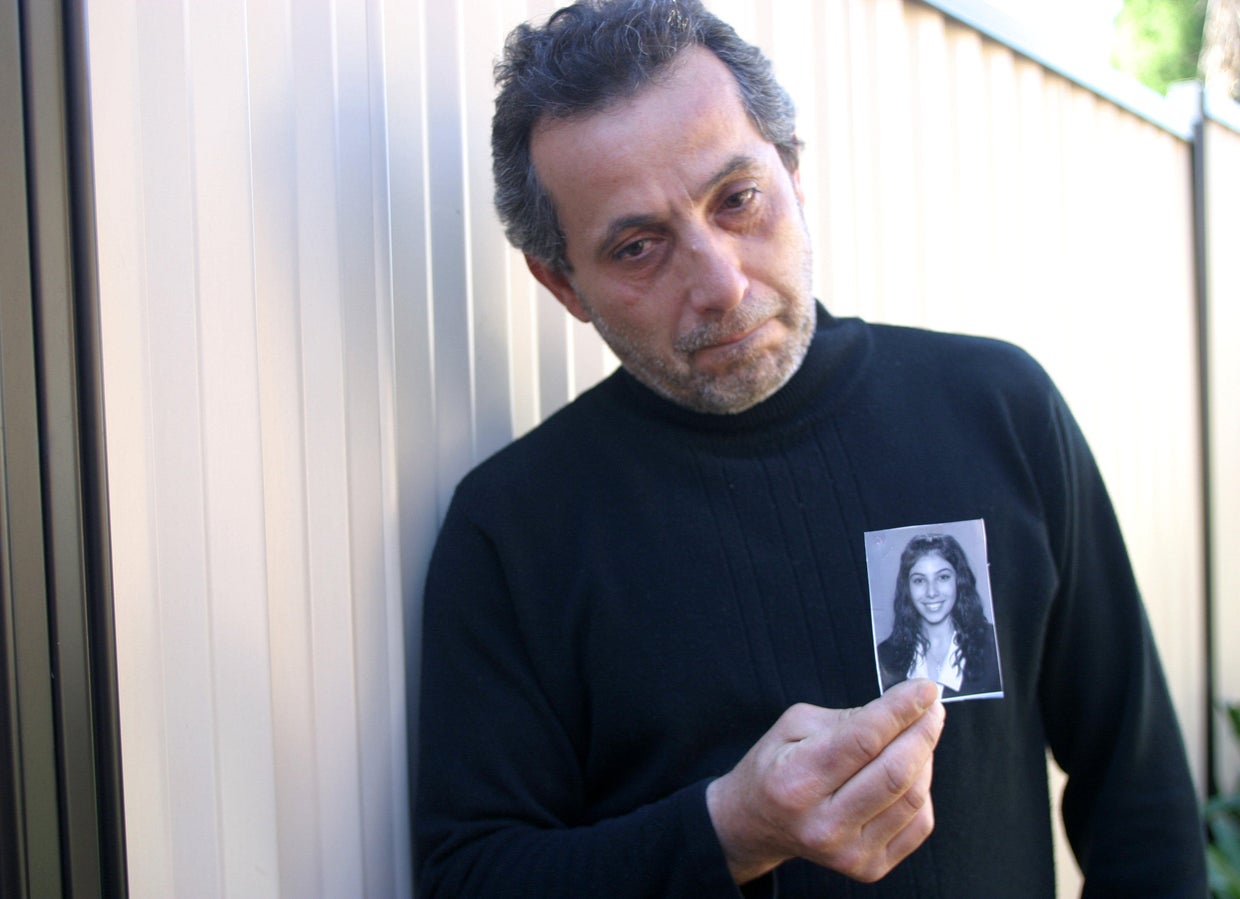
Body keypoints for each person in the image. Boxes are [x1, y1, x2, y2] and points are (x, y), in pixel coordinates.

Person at [415, 0, 1207, 895]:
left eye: (738, 199)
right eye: (639, 247)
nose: (719, 282)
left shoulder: (999, 410)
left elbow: (1141, 800)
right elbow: (472, 876)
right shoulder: (515, 530)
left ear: (793, 170)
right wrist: (726, 830)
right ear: (562, 282)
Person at [876, 533, 1002, 699]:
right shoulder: (885, 655)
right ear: (907, 588)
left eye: (943, 577)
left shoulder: (993, 645)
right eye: (919, 580)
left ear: (959, 581)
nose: (932, 592)